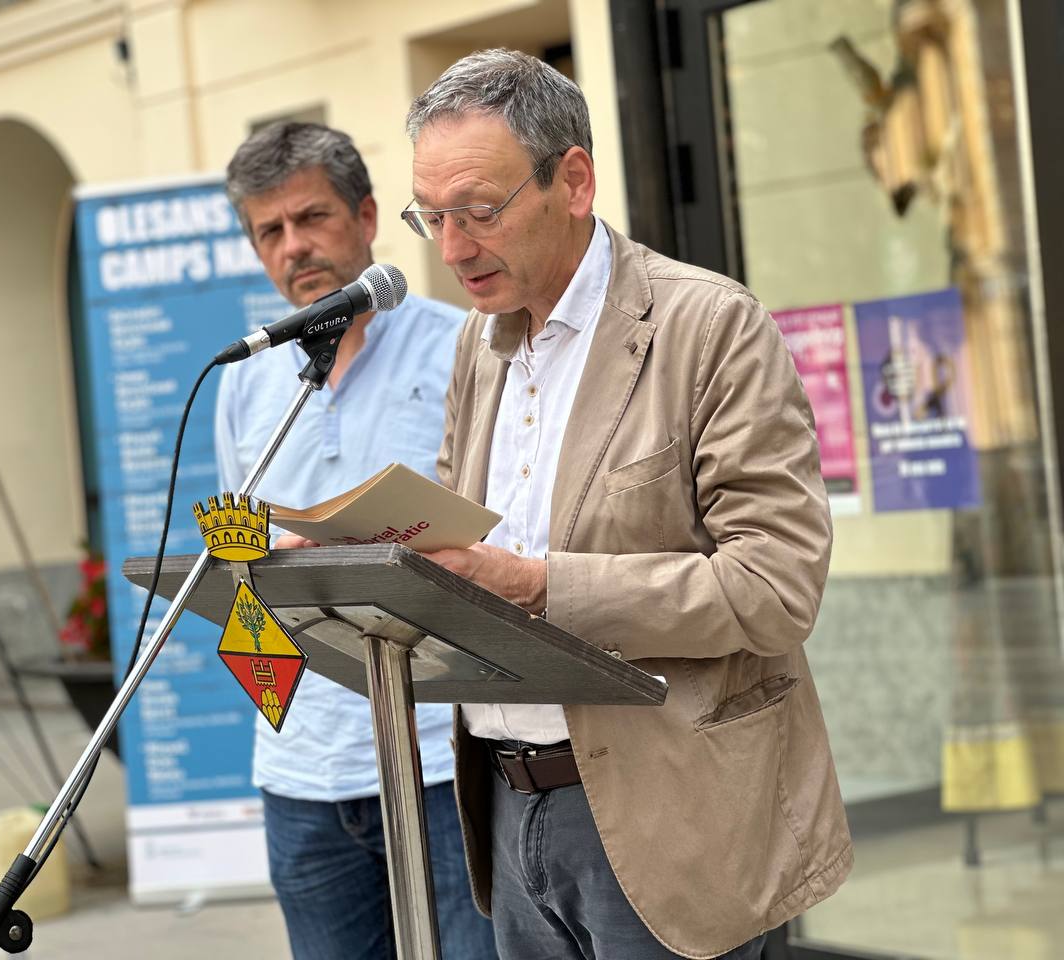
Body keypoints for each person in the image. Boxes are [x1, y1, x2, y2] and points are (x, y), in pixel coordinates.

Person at [402, 49, 853, 960]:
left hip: (674, 819)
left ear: (573, 180)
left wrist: (537, 585)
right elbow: (462, 541)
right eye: (434, 217)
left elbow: (775, 587)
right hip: (503, 803)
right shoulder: (478, 350)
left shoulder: (709, 327)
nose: (451, 249)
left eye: (480, 212)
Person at [214, 121, 497, 960]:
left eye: (312, 217)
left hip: (446, 762)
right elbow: (239, 548)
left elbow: (504, 526)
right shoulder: (246, 381)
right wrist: (280, 718)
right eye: (271, 231)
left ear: (367, 215)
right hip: (302, 782)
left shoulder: (463, 345)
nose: (294, 246)